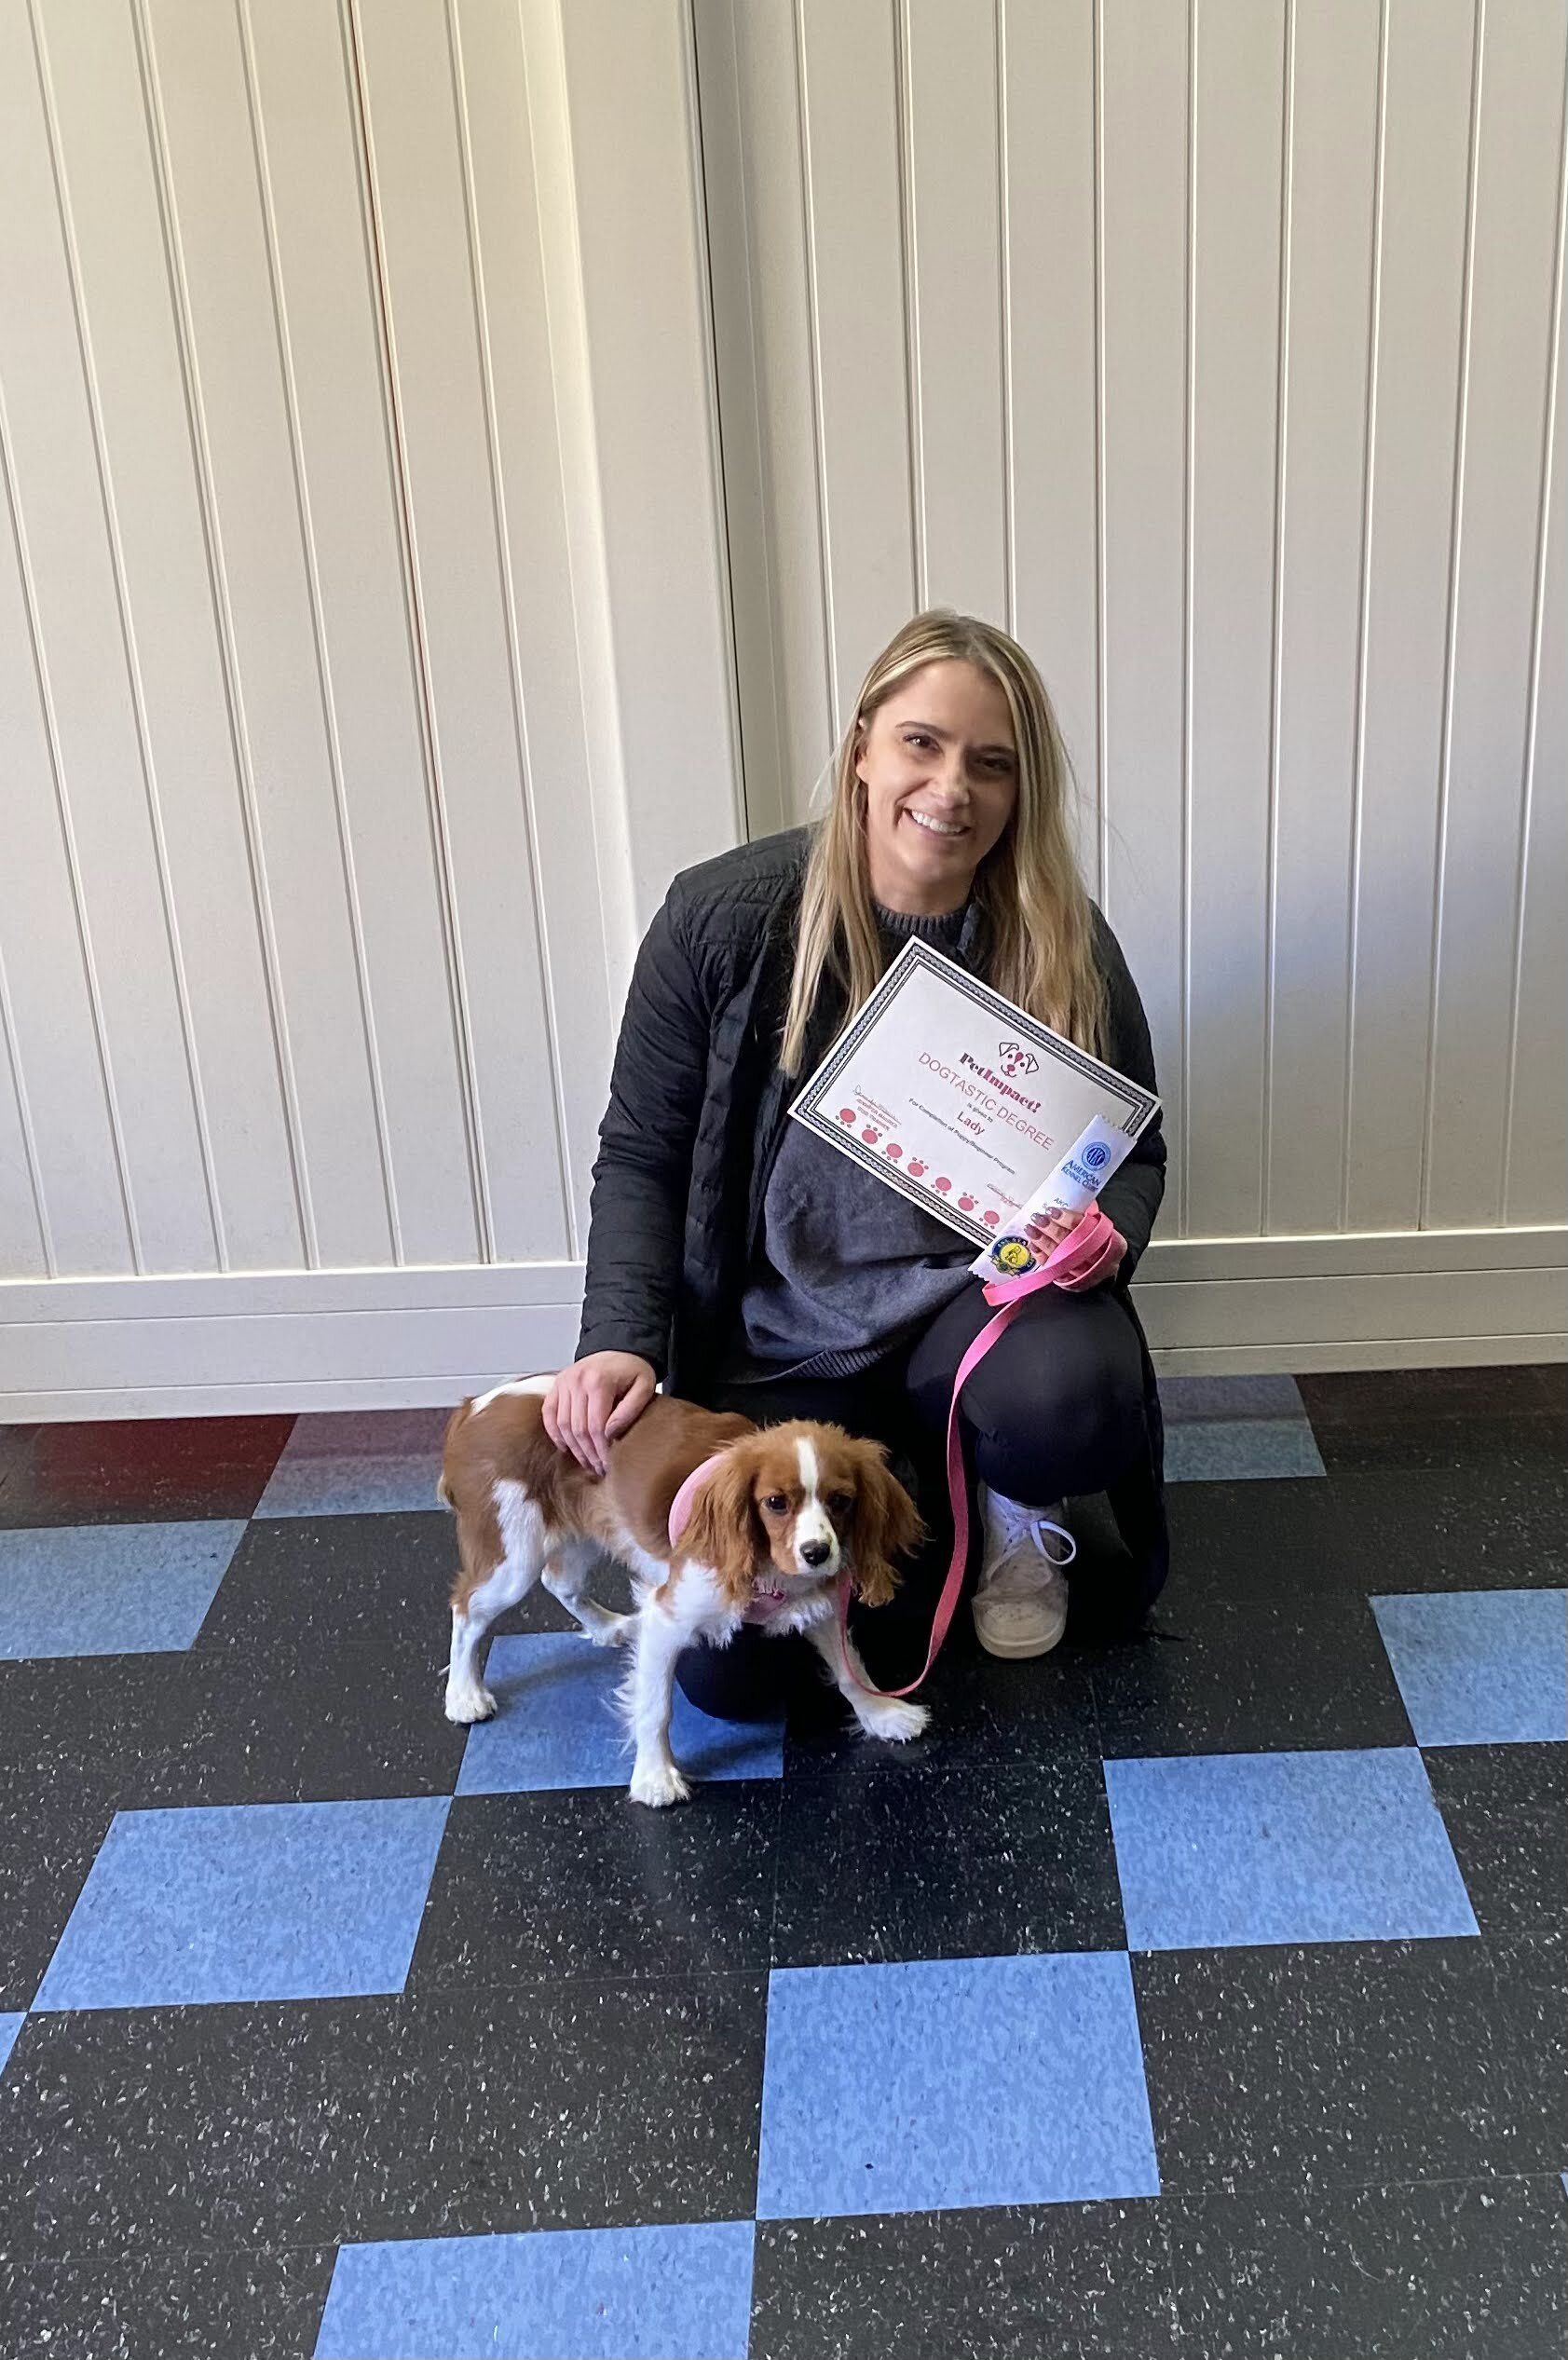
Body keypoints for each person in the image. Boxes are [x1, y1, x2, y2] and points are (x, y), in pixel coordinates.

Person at [543, 607, 1167, 1717]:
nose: (951, 788)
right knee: (739, 1680)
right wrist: (619, 1336)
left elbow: (1136, 1149)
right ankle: (904, 1506)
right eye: (923, 744)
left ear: (1022, 790)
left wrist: (1106, 1228)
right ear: (864, 745)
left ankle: (1009, 1503)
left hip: (972, 1324)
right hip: (775, 1347)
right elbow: (641, 1149)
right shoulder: (721, 918)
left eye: (992, 763)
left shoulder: (1062, 935)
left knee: (1071, 1401)